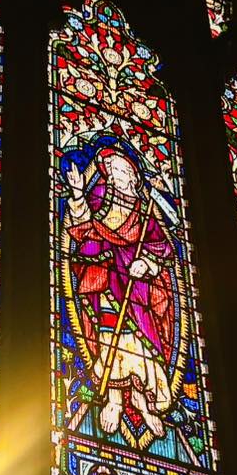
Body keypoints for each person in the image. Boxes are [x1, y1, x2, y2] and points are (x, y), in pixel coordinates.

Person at [65, 146, 178, 438]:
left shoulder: (145, 210)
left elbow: (163, 247)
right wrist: (77, 194)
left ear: (133, 176)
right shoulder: (101, 201)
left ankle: (143, 400)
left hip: (139, 288)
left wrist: (148, 263)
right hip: (106, 280)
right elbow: (85, 231)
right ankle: (114, 399)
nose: (116, 175)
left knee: (142, 342)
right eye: (112, 171)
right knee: (108, 338)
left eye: (121, 170)